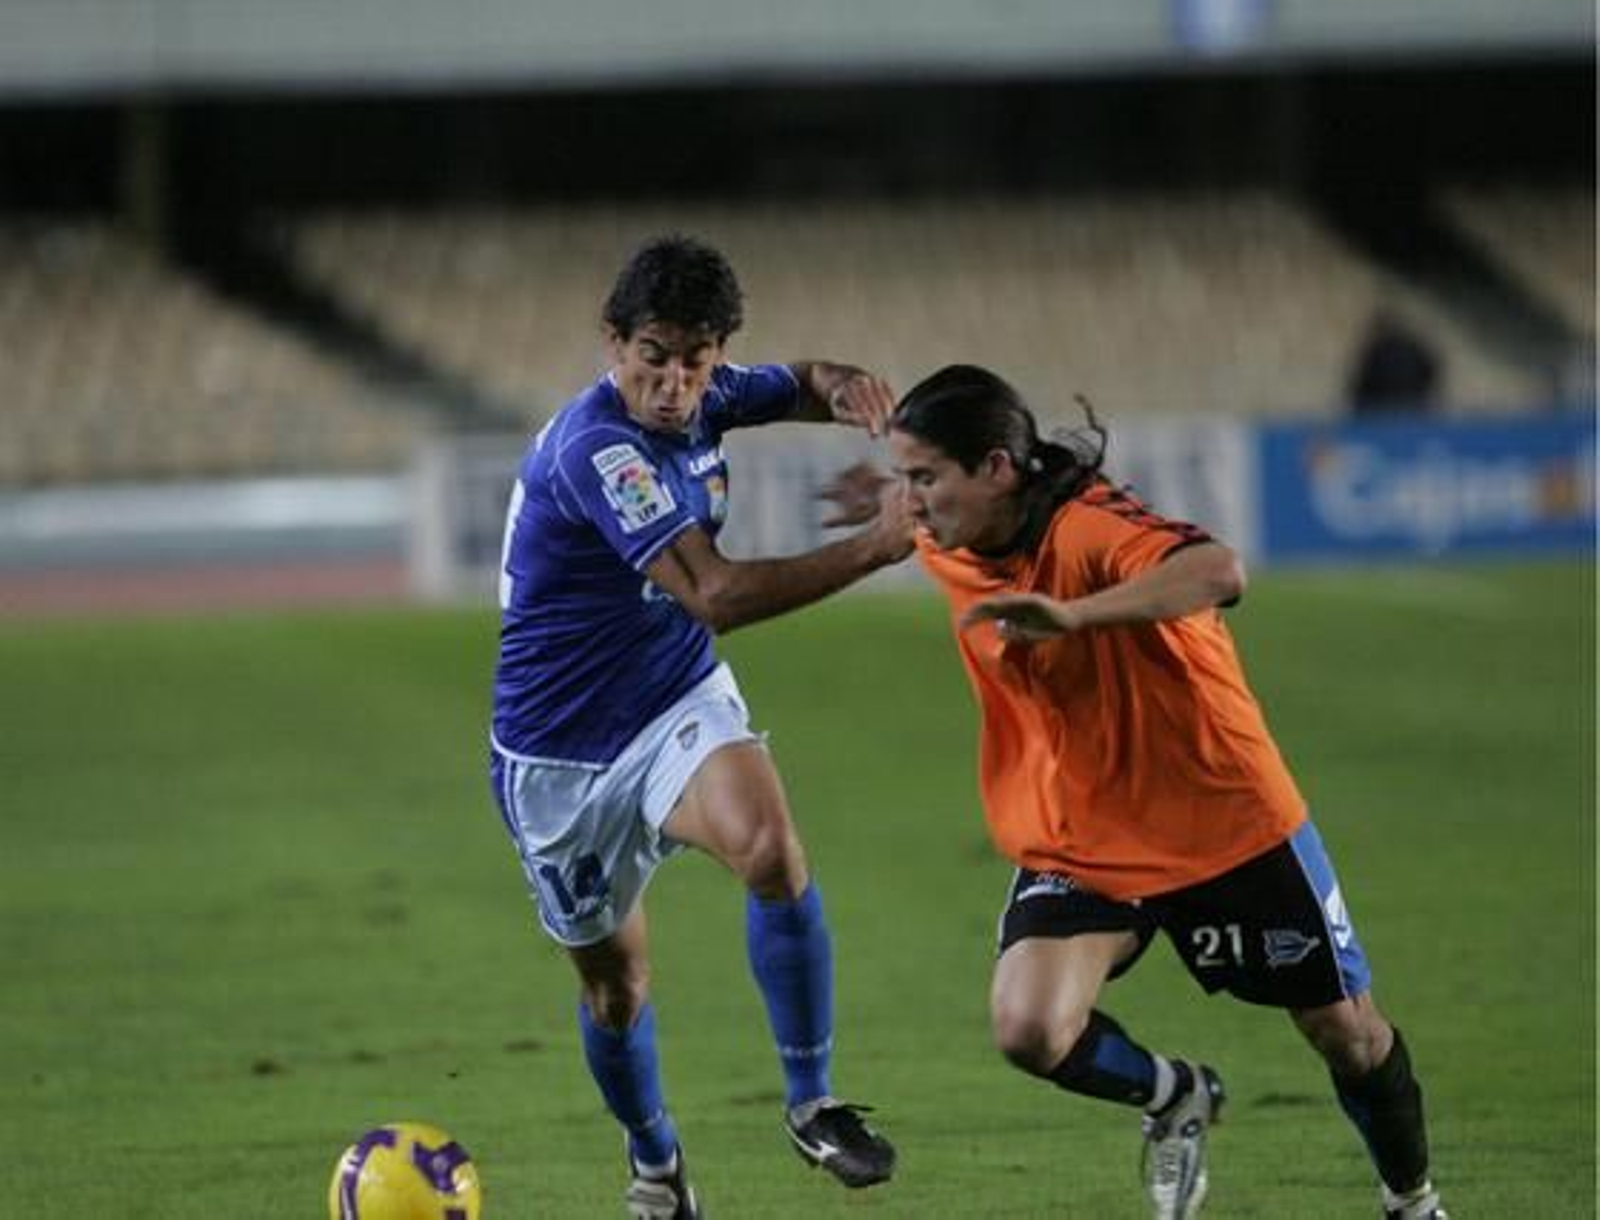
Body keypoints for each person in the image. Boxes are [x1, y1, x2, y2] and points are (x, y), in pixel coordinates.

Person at [832, 363, 1447, 1220]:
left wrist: (1078, 615)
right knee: (1030, 1029)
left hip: (1222, 819)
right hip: (1085, 832)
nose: (913, 500)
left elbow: (1219, 569)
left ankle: (1412, 1202)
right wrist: (885, 492)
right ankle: (1176, 1096)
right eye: (905, 478)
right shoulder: (946, 533)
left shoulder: (1088, 529)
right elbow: (905, 518)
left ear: (998, 469)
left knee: (1346, 1033)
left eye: (926, 477)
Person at [488, 234, 912, 1220]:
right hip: (559, 755)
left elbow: (798, 381)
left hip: (674, 697)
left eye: (696, 359)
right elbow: (713, 593)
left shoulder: (710, 391)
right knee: (616, 989)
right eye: (653, 357)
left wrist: (846, 385)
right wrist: (877, 541)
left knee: (769, 847)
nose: (674, 384)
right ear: (611, 342)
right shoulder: (598, 447)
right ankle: (657, 1165)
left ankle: (812, 1100)